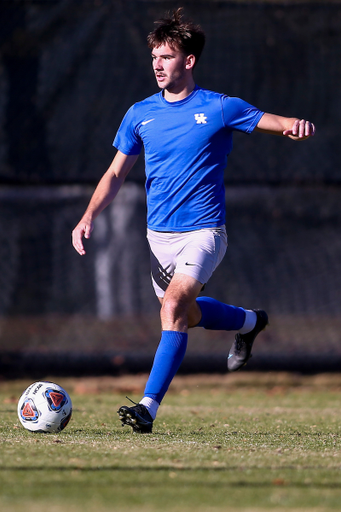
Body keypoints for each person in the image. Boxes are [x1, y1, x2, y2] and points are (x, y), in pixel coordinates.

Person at [72, 8, 315, 434]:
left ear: (188, 61)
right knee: (185, 316)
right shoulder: (139, 113)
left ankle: (147, 406)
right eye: (153, 58)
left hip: (204, 232)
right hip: (158, 239)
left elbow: (269, 122)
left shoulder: (220, 108)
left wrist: (294, 125)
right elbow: (115, 174)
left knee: (172, 307)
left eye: (166, 57)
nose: (157, 65)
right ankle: (249, 322)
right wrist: (89, 214)